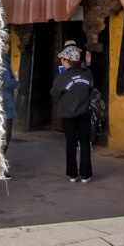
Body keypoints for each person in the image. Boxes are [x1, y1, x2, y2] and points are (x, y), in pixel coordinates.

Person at [50, 42, 94, 182]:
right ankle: (86, 174)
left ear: (67, 61)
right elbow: (91, 88)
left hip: (68, 115)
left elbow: (54, 93)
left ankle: (72, 174)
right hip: (84, 114)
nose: (61, 61)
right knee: (85, 144)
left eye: (63, 59)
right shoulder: (87, 74)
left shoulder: (62, 77)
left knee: (71, 144)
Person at [0, 41, 19, 177]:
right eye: (7, 45)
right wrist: (16, 81)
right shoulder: (3, 62)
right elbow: (7, 83)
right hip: (5, 102)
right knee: (5, 136)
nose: (8, 47)